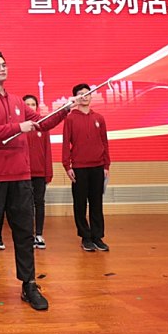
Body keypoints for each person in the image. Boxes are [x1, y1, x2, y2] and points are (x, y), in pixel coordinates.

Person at [0, 52, 72, 314]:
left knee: (23, 232)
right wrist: (17, 128)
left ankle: (29, 284)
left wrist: (66, 109)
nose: (2, 68)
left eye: (4, 64)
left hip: (20, 177)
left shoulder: (17, 100)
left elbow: (41, 123)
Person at [62, 83, 111, 253]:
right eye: (81, 94)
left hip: (98, 167)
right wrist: (67, 166)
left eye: (88, 93)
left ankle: (97, 237)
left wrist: (106, 165)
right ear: (76, 97)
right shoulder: (70, 118)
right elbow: (65, 143)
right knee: (80, 203)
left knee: (96, 203)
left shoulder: (99, 118)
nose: (85, 96)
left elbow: (104, 142)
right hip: (79, 168)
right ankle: (85, 237)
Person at [23, 94, 53, 249]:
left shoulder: (43, 126)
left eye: (33, 104)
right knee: (25, 205)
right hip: (23, 174)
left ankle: (39, 234)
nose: (30, 107)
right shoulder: (19, 127)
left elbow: (47, 151)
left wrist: (48, 173)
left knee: (39, 203)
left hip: (40, 173)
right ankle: (27, 235)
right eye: (27, 104)